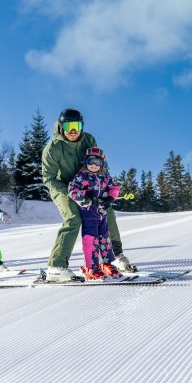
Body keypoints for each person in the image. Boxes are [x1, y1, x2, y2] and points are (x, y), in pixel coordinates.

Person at [41, 108, 133, 282]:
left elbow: (98, 163)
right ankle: (56, 266)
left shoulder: (88, 139)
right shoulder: (52, 149)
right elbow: (49, 178)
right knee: (73, 218)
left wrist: (105, 190)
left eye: (77, 125)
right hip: (63, 188)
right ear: (61, 127)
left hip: (89, 185)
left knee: (107, 212)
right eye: (68, 126)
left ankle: (116, 256)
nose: (73, 131)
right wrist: (72, 194)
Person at [68, 147, 123, 280]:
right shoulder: (82, 176)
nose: (94, 165)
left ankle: (107, 264)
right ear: (86, 161)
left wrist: (110, 198)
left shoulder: (105, 177)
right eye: (91, 161)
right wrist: (85, 196)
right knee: (90, 240)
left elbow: (115, 188)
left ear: (102, 164)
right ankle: (91, 268)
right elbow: (72, 190)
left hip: (102, 213)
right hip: (89, 214)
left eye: (98, 162)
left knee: (105, 239)